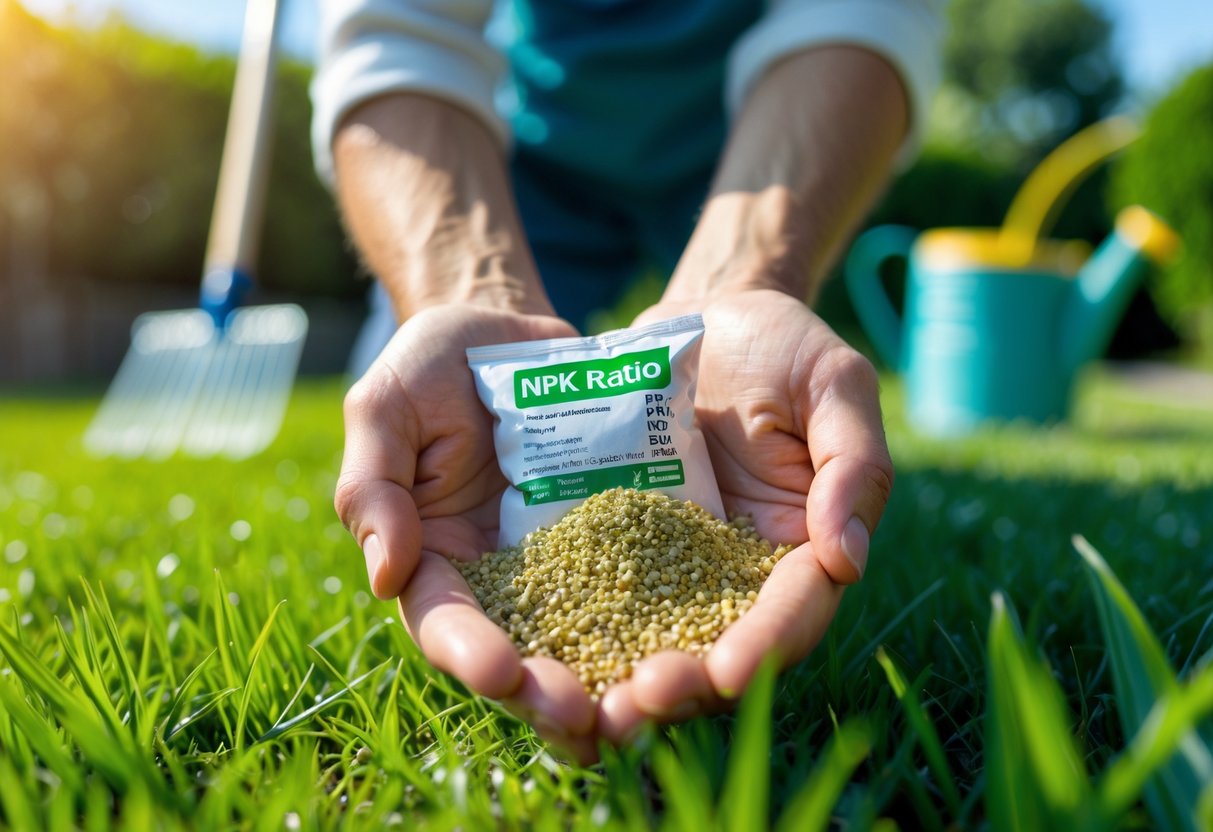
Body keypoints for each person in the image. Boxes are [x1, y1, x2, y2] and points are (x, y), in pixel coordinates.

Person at [313, 0, 943, 763]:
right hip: (516, 150)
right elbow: (403, 31)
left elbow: (859, 15)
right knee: (413, 384)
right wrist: (462, 294)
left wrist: (746, 279)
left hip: (767, 129)